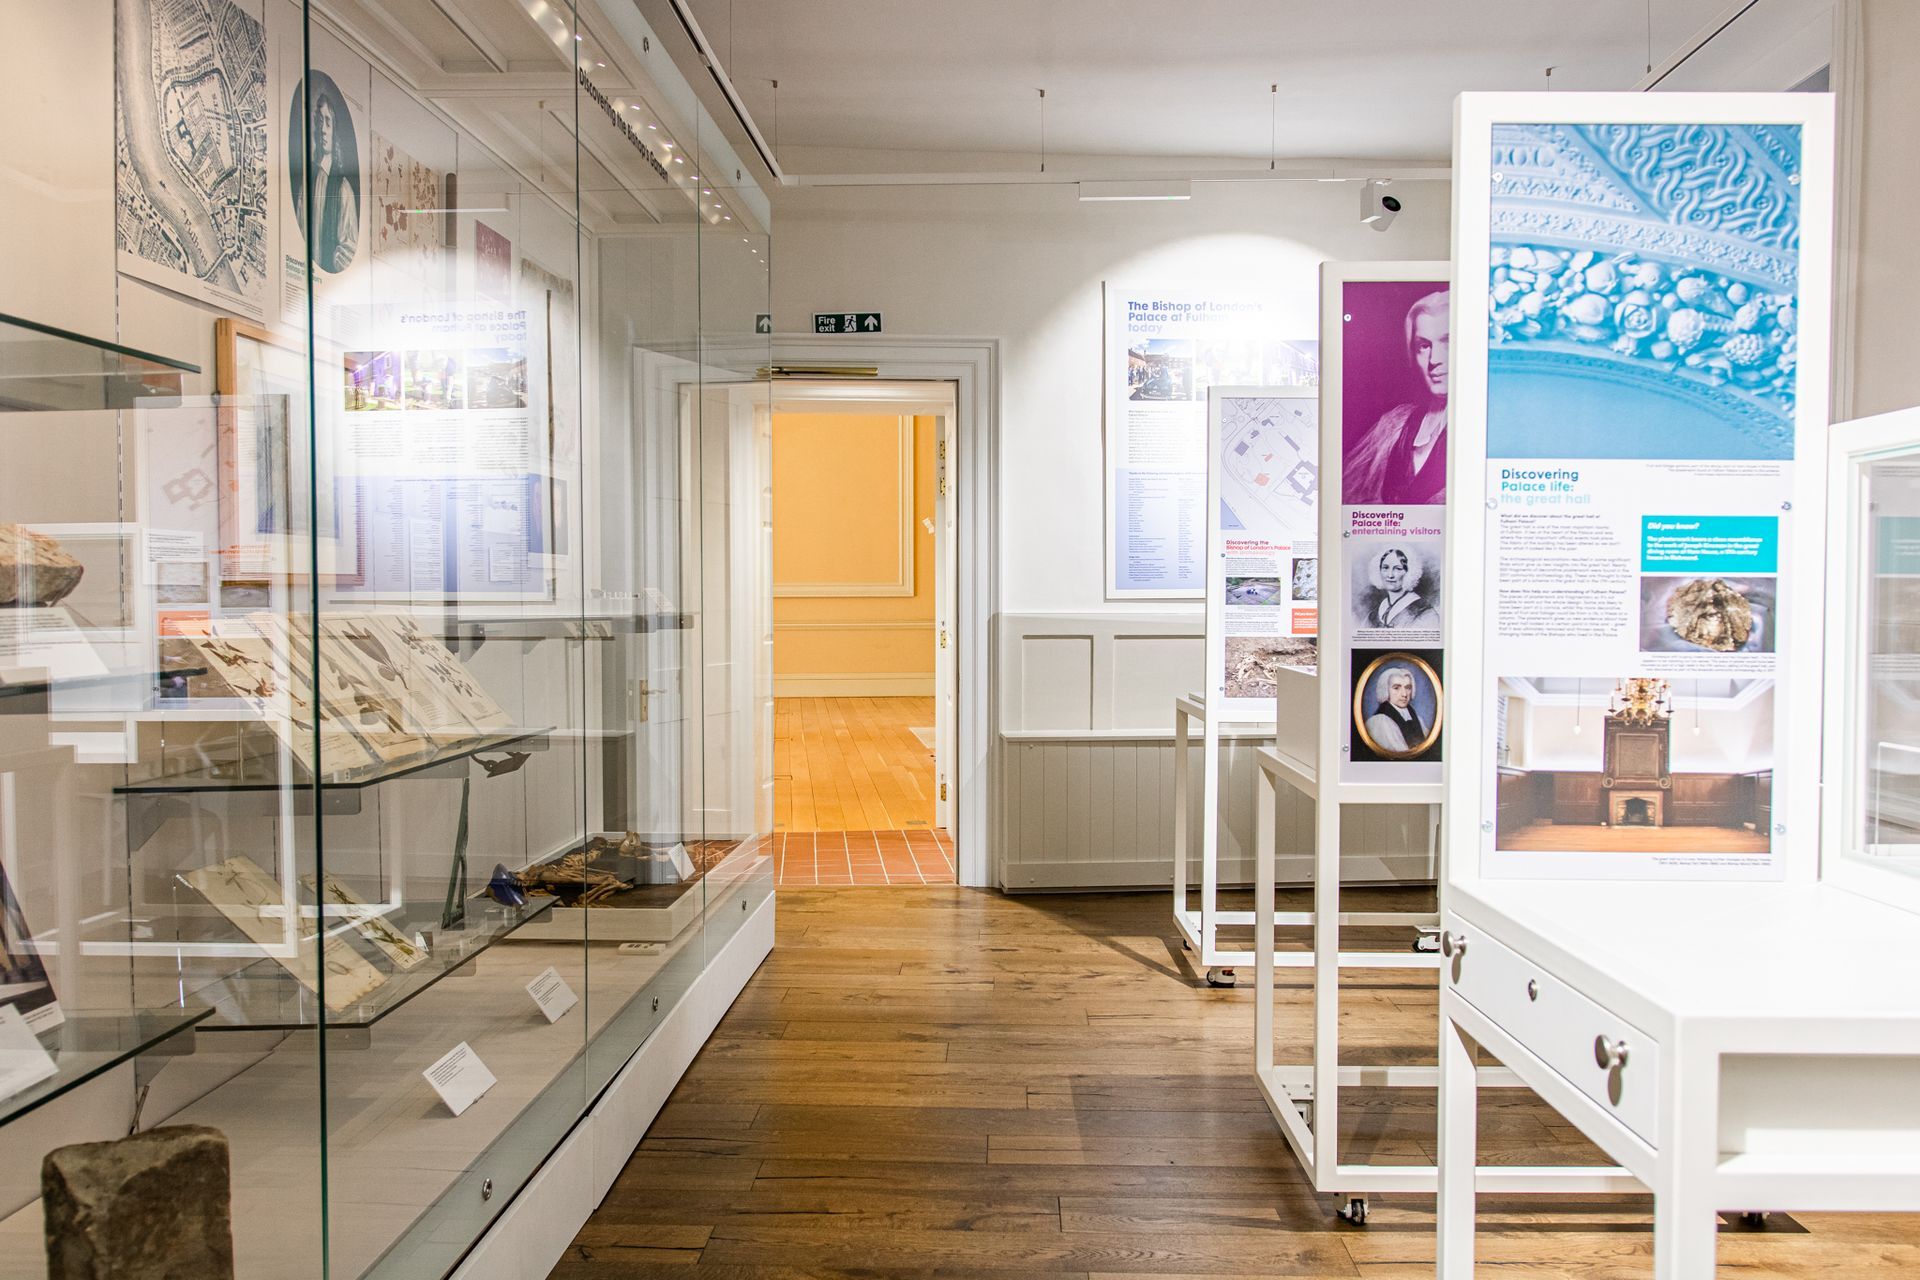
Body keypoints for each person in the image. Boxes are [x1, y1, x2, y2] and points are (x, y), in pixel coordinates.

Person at [1345, 291, 1448, 505]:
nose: (1434, 360)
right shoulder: (1394, 424)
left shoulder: (1485, 429)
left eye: (1448, 342)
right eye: (1424, 346)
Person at [294, 82, 359, 274]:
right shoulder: (308, 183)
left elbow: (349, 250)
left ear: (335, 131)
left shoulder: (343, 189)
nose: (323, 129)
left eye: (328, 122)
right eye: (320, 121)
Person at [1363, 547, 1439, 629]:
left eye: (1398, 569)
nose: (1390, 575)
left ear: (1408, 572)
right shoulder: (1373, 616)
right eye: (1385, 568)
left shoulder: (1425, 613)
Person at [1364, 666, 1428, 755]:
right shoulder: (1378, 722)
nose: (1404, 694)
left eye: (1408, 687)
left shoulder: (1418, 720)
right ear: (1385, 690)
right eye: (1396, 688)